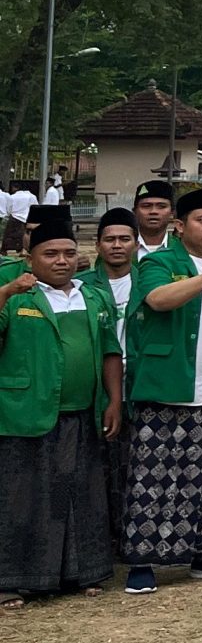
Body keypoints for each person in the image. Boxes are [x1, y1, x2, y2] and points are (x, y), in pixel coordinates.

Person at [117, 188, 202, 593]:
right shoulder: (159, 262)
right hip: (170, 387)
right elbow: (159, 301)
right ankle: (143, 562)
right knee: (156, 478)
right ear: (180, 225)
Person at [0, 207, 122, 606]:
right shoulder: (16, 291)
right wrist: (6, 292)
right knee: (23, 497)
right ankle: (13, 579)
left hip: (81, 412)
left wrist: (113, 401)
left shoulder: (94, 295)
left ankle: (80, 572)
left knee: (78, 495)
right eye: (51, 254)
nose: (61, 261)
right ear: (29, 258)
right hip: (25, 411)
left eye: (69, 253)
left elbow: (109, 351)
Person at [131, 180, 175, 262]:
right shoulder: (122, 247)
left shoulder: (183, 248)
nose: (153, 211)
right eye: (146, 206)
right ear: (135, 212)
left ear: (172, 213)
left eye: (161, 206)